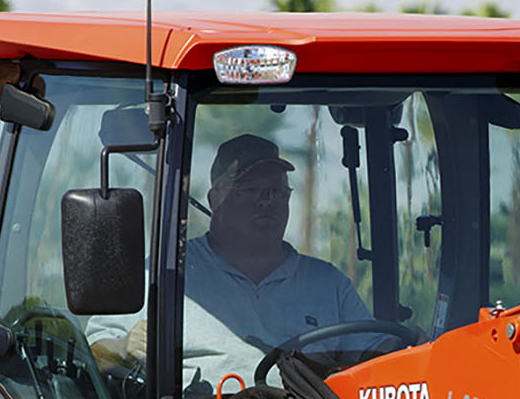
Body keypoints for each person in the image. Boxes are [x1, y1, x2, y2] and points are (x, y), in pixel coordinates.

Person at [88, 133, 370, 372]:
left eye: (276, 191)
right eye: (249, 189)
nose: (266, 201)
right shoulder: (165, 275)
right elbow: (93, 352)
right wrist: (123, 348)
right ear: (214, 199)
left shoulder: (328, 284)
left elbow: (376, 354)